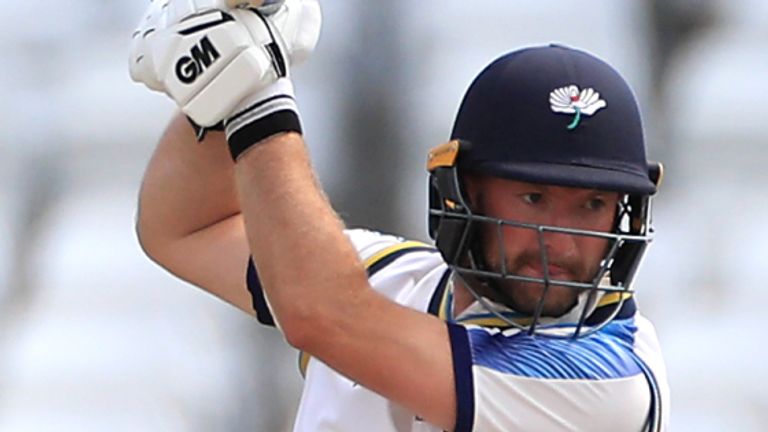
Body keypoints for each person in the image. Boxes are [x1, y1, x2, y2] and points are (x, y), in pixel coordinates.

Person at [130, 0, 670, 430]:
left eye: (592, 206)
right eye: (533, 199)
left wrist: (254, 89)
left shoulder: (609, 381)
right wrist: (240, 56)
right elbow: (182, 229)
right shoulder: (390, 279)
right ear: (465, 192)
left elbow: (321, 315)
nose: (564, 243)